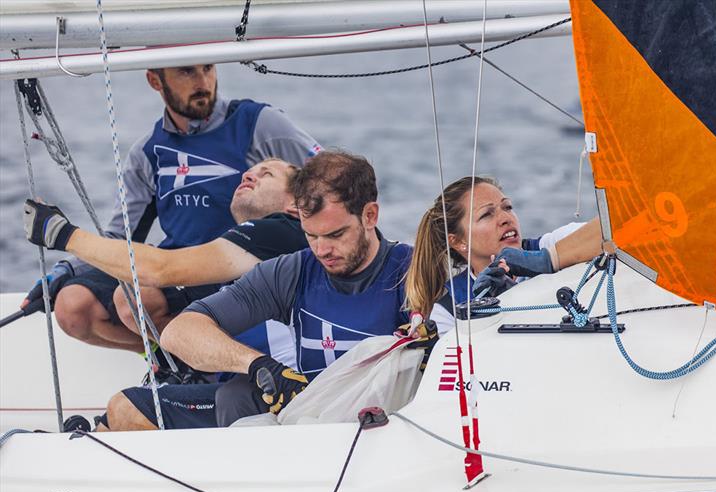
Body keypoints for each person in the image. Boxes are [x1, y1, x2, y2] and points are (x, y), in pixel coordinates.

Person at [100, 150, 420, 431]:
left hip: (384, 430)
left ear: (370, 216)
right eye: (311, 235)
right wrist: (257, 365)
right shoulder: (291, 270)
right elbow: (179, 333)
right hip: (308, 426)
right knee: (234, 395)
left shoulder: (414, 268)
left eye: (335, 234)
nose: (322, 250)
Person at [21, 64, 321, 353]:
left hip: (237, 266)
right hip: (175, 267)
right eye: (186, 71)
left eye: (207, 68)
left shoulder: (259, 123)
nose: (203, 81)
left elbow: (330, 182)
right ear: (155, 81)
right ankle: (171, 360)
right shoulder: (147, 153)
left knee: (137, 299)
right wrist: (65, 270)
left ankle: (204, 361)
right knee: (72, 305)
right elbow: (122, 236)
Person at [23, 158, 308, 371]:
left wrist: (62, 234)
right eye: (249, 171)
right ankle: (170, 359)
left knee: (122, 410)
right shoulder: (260, 238)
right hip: (242, 344)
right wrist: (73, 270)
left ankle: (186, 365)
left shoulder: (281, 230)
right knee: (78, 304)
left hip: (263, 367)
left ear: (295, 206)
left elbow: (159, 269)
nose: (248, 175)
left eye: (266, 173)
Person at [405, 175, 602, 326]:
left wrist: (548, 260)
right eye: (487, 215)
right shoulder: (448, 310)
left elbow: (618, 229)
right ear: (458, 241)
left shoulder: (550, 245)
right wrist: (498, 309)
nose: (506, 218)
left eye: (507, 207)